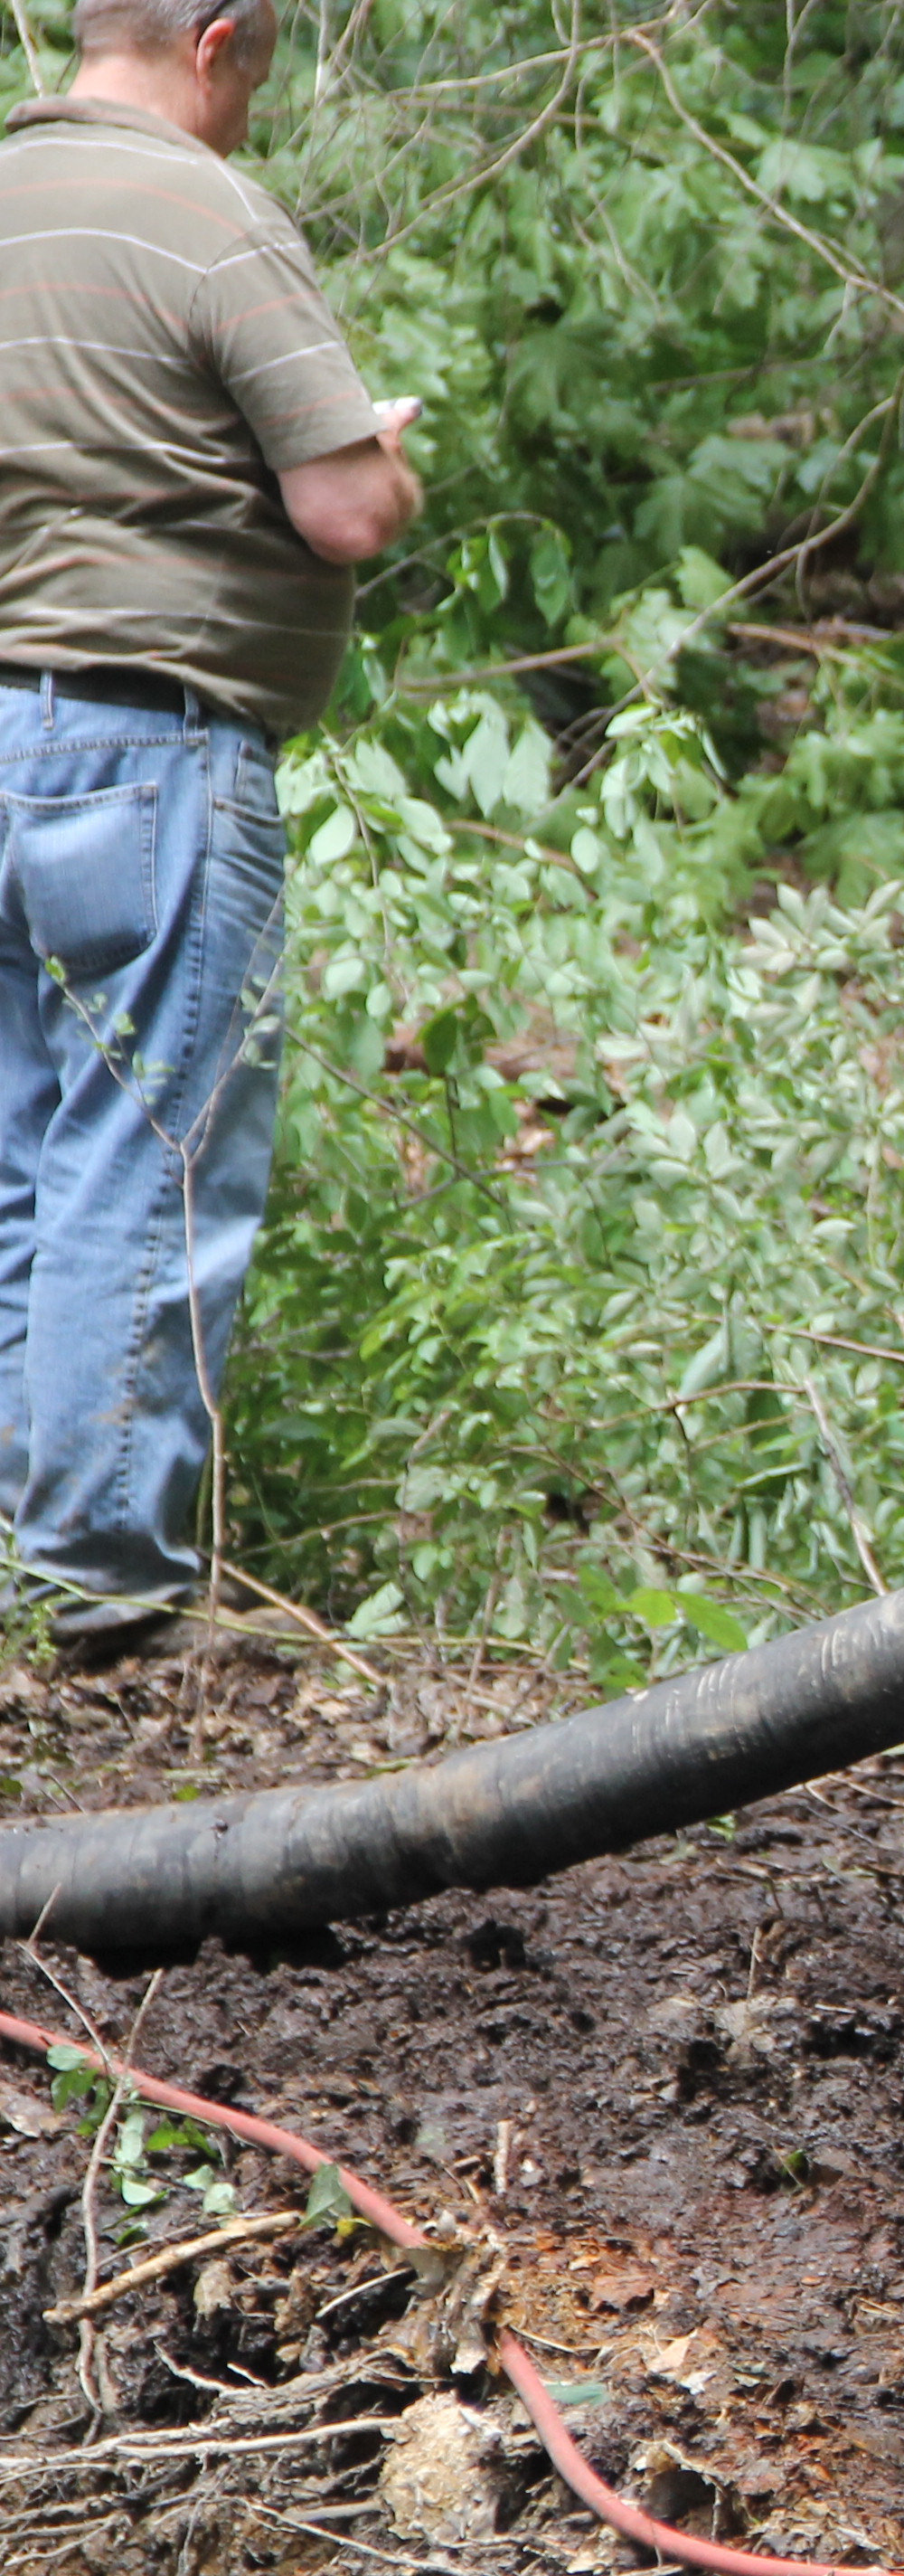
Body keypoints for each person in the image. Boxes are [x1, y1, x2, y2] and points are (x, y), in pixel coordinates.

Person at [0, 0, 418, 1653]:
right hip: (144, 751)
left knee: (17, 1155)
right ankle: (103, 1586)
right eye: (257, 74)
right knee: (146, 1151)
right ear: (216, 41)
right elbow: (344, 508)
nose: (253, 108)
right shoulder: (205, 212)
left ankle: (21, 1568)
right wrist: (389, 461)